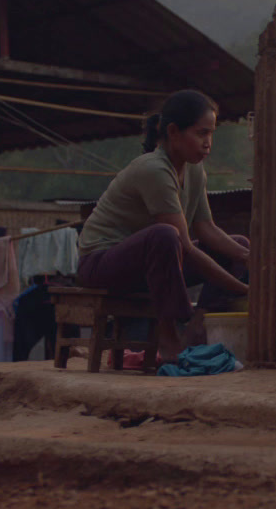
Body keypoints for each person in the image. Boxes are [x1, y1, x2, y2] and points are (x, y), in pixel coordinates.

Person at [77, 89, 248, 361]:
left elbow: (207, 229)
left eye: (211, 134)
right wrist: (245, 290)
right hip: (101, 263)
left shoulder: (194, 169)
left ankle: (196, 329)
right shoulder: (154, 169)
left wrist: (252, 260)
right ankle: (168, 337)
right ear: (173, 132)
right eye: (201, 133)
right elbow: (185, 247)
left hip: (153, 264)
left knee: (238, 245)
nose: (208, 143)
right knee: (165, 236)